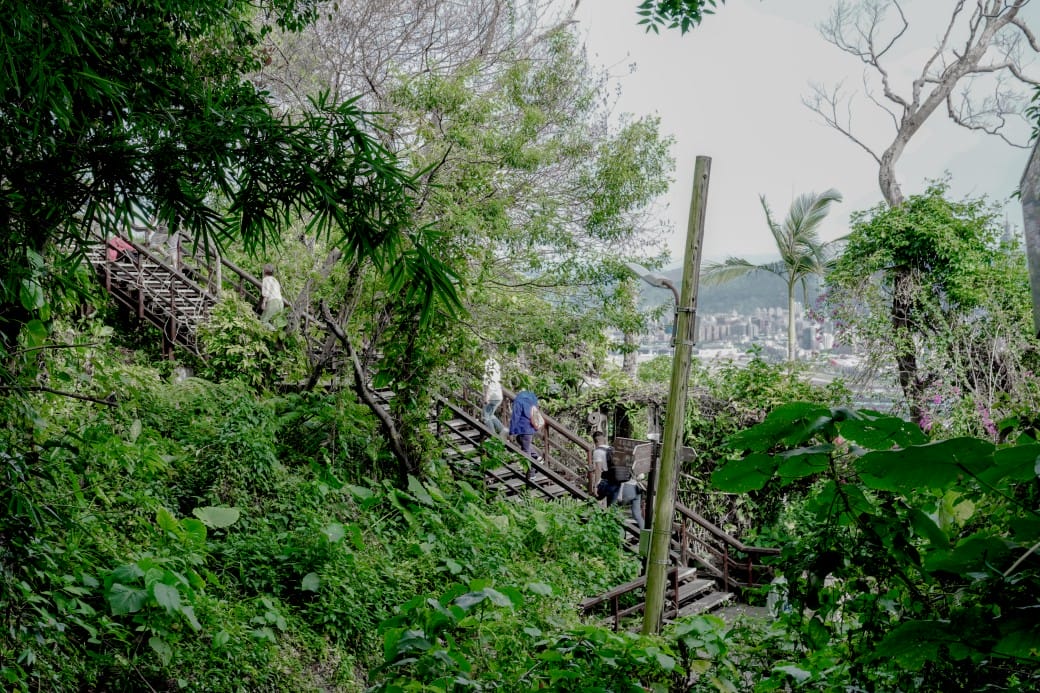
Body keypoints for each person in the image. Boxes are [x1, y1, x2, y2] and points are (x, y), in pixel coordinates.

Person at [508, 389, 542, 460]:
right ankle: (537, 457)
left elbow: (515, 416)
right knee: (520, 440)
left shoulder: (519, 400)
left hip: (523, 428)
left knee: (525, 451)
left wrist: (511, 430)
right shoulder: (532, 399)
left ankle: (530, 470)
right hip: (531, 427)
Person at [593, 432, 619, 506]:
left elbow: (598, 469)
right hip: (617, 481)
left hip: (607, 482)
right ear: (603, 439)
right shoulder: (612, 449)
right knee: (611, 507)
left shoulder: (597, 451)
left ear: (595, 441)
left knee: (594, 496)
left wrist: (595, 486)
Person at [482, 354, 504, 437]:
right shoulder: (497, 373)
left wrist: (486, 397)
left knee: (485, 416)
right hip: (498, 396)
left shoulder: (488, 374)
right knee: (491, 415)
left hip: (492, 397)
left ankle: (493, 435)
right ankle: (502, 429)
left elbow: (488, 386)